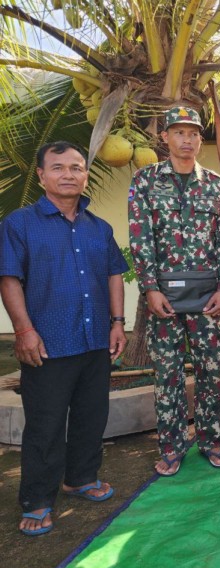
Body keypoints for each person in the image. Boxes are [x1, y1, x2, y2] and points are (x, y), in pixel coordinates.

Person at [0, 141, 128, 536]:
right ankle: (37, 499)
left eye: (76, 167)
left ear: (85, 175)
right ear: (41, 175)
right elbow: (9, 278)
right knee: (46, 424)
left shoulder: (99, 228)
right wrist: (23, 330)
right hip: (47, 343)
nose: (68, 174)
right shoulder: (19, 224)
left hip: (95, 339)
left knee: (92, 416)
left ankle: (81, 478)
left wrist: (118, 322)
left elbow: (114, 274)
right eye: (58, 167)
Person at [129, 106, 220, 476]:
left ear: (200, 141)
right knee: (168, 375)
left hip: (207, 299)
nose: (186, 140)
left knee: (210, 371)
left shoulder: (216, 185)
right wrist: (149, 289)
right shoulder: (145, 181)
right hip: (164, 299)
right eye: (179, 132)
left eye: (193, 134)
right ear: (165, 137)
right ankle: (172, 448)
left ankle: (212, 441)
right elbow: (140, 237)